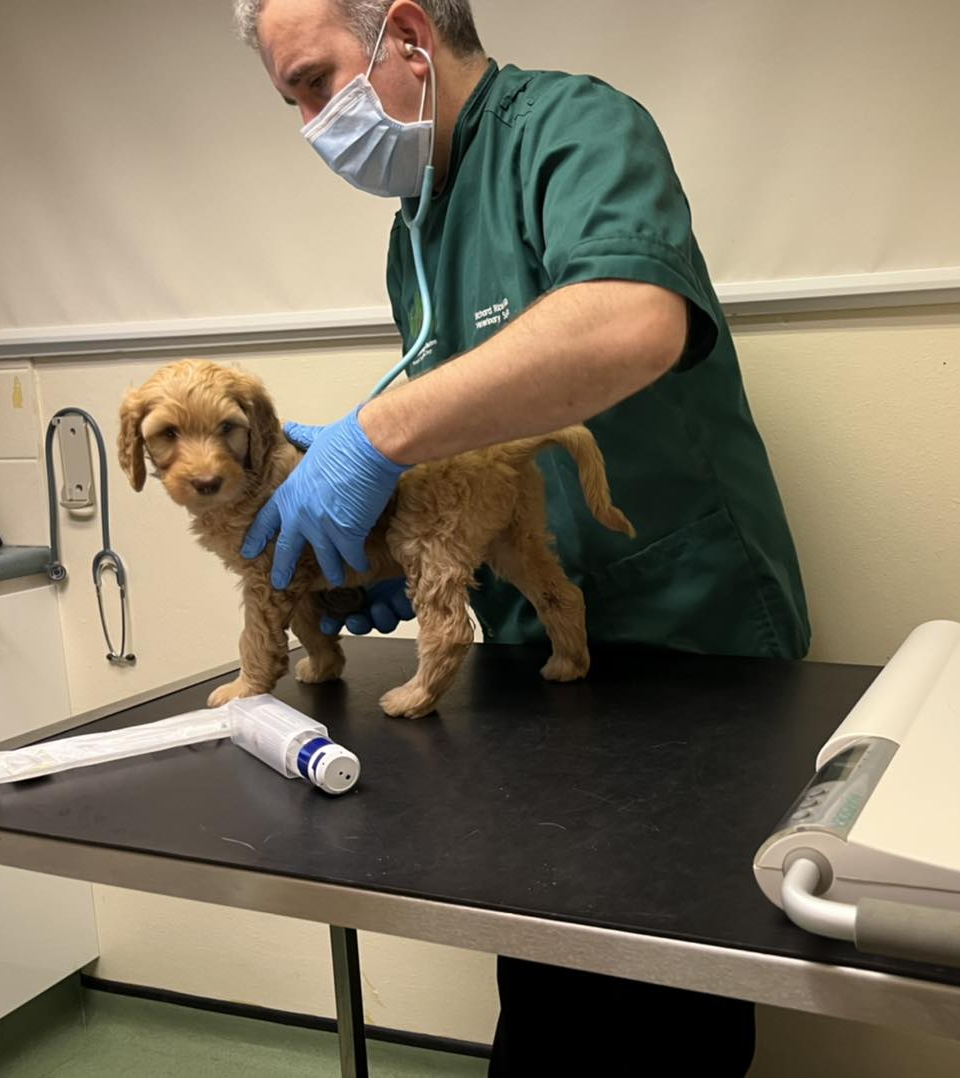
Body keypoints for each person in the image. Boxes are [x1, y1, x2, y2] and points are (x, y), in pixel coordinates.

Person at [232, 0, 811, 1071]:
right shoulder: (416, 232)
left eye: (316, 82)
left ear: (407, 34)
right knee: (545, 970)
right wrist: (394, 549)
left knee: (662, 1014)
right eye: (292, 100)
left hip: (685, 634)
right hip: (532, 658)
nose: (311, 122)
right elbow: (473, 428)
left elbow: (631, 320)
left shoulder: (577, 130)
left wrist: (375, 438)